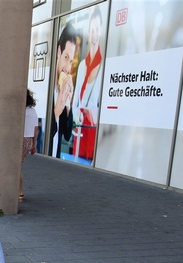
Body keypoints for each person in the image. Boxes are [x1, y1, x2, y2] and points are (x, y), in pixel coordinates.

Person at [72, 6, 103, 162]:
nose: (94, 34)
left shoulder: (103, 65)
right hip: (80, 126)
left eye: (97, 29)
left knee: (89, 164)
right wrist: (75, 117)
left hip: (92, 127)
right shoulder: (83, 65)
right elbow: (76, 99)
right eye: (91, 29)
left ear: (101, 31)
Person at [49, 22, 78, 158]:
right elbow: (43, 137)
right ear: (59, 52)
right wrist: (55, 112)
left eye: (71, 61)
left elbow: (67, 135)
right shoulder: (49, 89)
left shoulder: (62, 89)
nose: (67, 67)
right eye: (66, 57)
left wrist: (68, 104)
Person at [20, 89, 38, 202]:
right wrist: (33, 144)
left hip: (20, 139)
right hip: (28, 140)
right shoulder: (32, 111)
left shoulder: (22, 111)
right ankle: (19, 192)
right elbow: (36, 129)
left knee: (15, 168)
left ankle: (20, 193)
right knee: (17, 167)